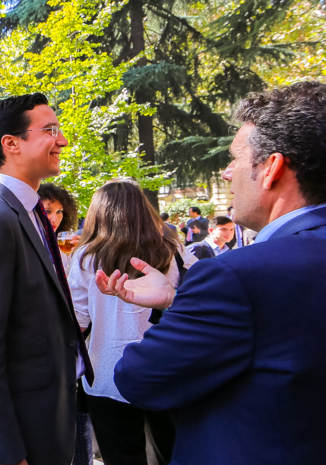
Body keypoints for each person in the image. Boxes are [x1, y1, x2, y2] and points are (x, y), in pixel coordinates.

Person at [95, 81, 326, 464]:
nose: (226, 172)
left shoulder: (236, 276)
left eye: (236, 157)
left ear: (272, 168)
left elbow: (139, 378)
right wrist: (173, 300)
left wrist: (183, 303)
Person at [0, 93, 93, 465]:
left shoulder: (27, 211)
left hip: (46, 410)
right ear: (11, 144)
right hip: (19, 430)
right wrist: (5, 450)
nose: (62, 140)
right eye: (50, 130)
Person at [69, 179, 196, 465]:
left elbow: (77, 320)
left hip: (107, 371)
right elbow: (197, 299)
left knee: (122, 457)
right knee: (174, 453)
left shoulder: (85, 257)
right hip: (165, 368)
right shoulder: (172, 251)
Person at [38, 183, 79, 274]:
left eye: (59, 211)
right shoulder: (24, 244)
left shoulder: (63, 245)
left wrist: (80, 253)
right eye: (47, 211)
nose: (55, 219)